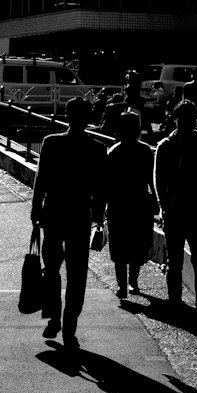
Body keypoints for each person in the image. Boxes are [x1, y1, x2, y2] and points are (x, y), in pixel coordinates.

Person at [30, 96, 107, 352]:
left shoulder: (51, 143)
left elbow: (41, 179)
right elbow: (101, 188)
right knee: (77, 274)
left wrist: (35, 207)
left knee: (51, 267)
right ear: (87, 118)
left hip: (53, 213)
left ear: (66, 115)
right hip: (79, 216)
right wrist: (98, 217)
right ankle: (69, 324)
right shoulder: (96, 148)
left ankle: (53, 316)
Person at [154, 100, 197, 314]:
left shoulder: (166, 145)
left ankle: (176, 302)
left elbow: (159, 180)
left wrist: (164, 205)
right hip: (195, 208)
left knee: (177, 259)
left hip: (177, 209)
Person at [105, 110, 156, 300]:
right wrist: (156, 202)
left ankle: (122, 285)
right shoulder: (145, 151)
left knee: (119, 246)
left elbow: (106, 182)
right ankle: (133, 281)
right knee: (137, 244)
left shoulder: (113, 151)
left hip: (118, 203)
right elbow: (152, 179)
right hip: (139, 202)